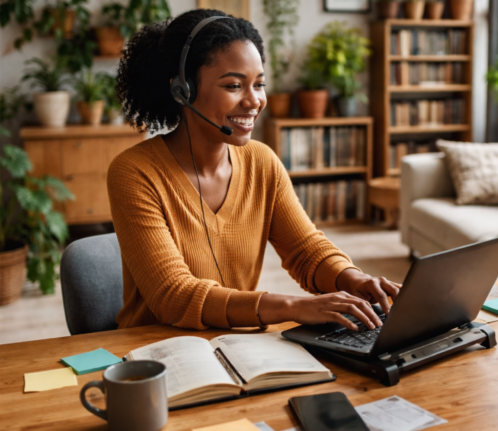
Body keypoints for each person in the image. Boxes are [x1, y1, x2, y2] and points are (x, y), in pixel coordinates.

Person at [108, 9, 399, 332]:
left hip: (239, 345)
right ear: (183, 90)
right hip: (156, 353)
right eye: (234, 86)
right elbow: (173, 296)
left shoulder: (262, 162)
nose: (254, 101)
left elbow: (306, 251)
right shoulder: (135, 173)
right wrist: (294, 306)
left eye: (259, 84)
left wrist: (354, 280)